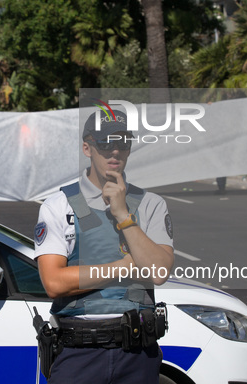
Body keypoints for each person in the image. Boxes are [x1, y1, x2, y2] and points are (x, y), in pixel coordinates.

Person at [34, 110, 175, 383]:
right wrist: (124, 267)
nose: (114, 151)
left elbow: (158, 272)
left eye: (122, 143)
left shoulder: (151, 204)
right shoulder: (58, 205)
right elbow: (54, 282)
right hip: (78, 352)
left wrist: (123, 215)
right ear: (87, 147)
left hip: (136, 354)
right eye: (105, 143)